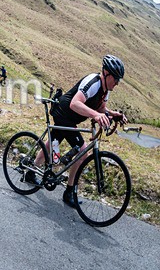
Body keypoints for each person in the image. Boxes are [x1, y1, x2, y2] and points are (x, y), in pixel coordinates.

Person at [34, 55, 127, 208]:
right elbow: (75, 103)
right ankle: (69, 192)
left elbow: (100, 108)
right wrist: (96, 115)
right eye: (116, 78)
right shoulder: (93, 83)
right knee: (83, 153)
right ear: (106, 73)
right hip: (64, 113)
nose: (117, 83)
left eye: (119, 80)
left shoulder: (106, 90)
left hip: (70, 119)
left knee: (53, 142)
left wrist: (112, 114)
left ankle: (32, 171)